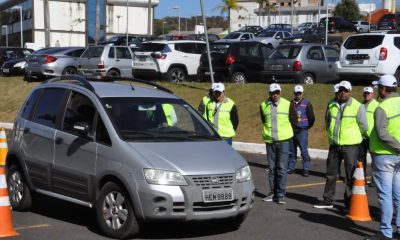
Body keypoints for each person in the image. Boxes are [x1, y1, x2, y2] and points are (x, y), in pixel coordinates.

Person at [314, 80, 368, 211]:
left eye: (345, 90)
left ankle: (349, 204)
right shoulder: (331, 103)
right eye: (340, 90)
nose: (342, 93)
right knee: (331, 174)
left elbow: (364, 126)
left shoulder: (357, 105)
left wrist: (355, 138)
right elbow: (327, 121)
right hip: (334, 145)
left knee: (350, 175)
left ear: (350, 92)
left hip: (350, 146)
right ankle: (328, 200)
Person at [365, 75, 400, 240]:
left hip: (385, 155)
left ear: (383, 89)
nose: (378, 90)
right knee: (398, 194)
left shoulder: (382, 107)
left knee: (385, 195)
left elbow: (381, 133)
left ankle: (386, 232)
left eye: (379, 87)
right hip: (398, 157)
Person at [260, 83, 296, 204]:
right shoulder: (263, 105)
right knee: (272, 168)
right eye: (272, 93)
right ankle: (272, 192)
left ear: (280, 92)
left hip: (284, 141)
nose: (275, 95)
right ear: (269, 93)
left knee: (282, 168)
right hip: (270, 141)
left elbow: (294, 120)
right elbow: (264, 120)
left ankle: (280, 194)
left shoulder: (288, 104)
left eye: (277, 92)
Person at [287, 85, 315, 177]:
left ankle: (306, 169)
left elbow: (311, 118)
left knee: (303, 150)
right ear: (294, 93)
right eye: (296, 93)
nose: (298, 95)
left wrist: (306, 127)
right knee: (291, 150)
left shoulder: (307, 104)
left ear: (302, 93)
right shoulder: (290, 103)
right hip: (291, 130)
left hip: (302, 130)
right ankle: (291, 167)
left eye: (300, 93)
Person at [359, 86, 379, 181]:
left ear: (372, 94)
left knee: (374, 159)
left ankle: (374, 179)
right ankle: (361, 178)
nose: (366, 95)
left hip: (372, 137)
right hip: (361, 136)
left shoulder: (377, 105)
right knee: (361, 159)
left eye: (368, 93)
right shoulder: (360, 104)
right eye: (365, 93)